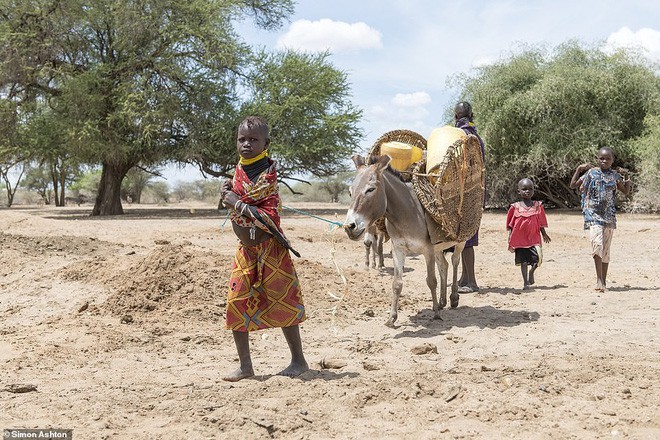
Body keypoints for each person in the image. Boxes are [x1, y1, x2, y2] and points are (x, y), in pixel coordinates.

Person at [219, 116, 308, 381]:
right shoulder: (238, 172)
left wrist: (235, 202)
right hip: (246, 250)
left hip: (272, 249)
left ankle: (299, 361)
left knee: (284, 303)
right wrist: (224, 192)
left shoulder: (268, 178)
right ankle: (246, 367)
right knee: (236, 303)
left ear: (266, 143)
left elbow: (269, 218)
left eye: (253, 140)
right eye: (242, 139)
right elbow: (233, 202)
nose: (246, 144)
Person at [569, 147, 632, 292]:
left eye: (607, 159)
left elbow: (626, 191)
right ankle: (599, 280)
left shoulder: (615, 176)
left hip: (609, 215)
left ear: (612, 160)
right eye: (601, 158)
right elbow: (573, 185)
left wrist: (627, 176)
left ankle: (603, 280)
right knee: (597, 245)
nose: (604, 161)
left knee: (606, 250)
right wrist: (579, 169)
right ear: (597, 159)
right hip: (593, 214)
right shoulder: (591, 173)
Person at [454, 101, 485, 293]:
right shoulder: (475, 135)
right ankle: (464, 277)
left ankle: (471, 281)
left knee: (467, 237)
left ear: (456, 117)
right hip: (474, 191)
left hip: (466, 193)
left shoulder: (461, 135)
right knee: (465, 237)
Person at [506, 178, 551, 290]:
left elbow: (541, 222)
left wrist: (544, 234)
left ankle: (532, 272)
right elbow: (511, 224)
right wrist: (510, 237)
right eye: (524, 189)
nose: (527, 191)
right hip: (520, 239)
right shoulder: (515, 207)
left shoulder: (537, 205)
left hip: (534, 237)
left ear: (533, 190)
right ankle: (525, 282)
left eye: (530, 189)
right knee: (524, 262)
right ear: (519, 191)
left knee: (538, 259)